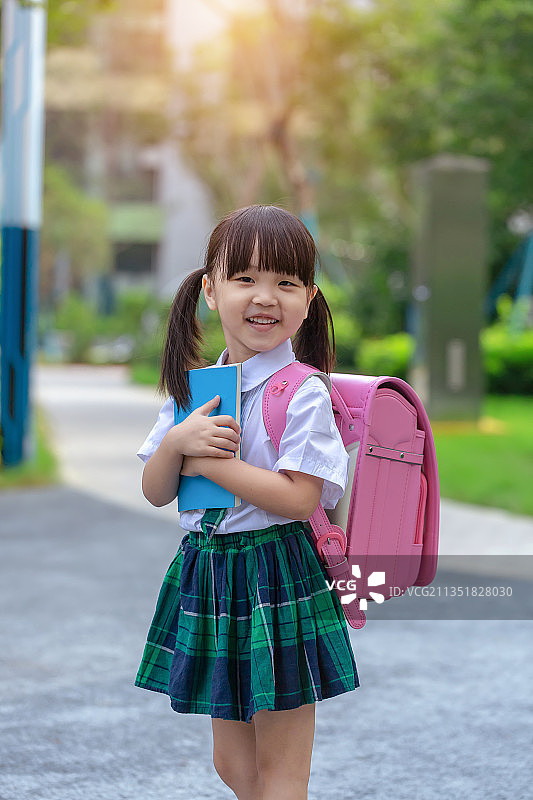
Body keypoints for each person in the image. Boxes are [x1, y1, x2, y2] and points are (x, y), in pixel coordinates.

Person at [135, 205, 359, 800]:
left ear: (308, 299)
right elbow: (157, 490)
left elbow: (298, 498)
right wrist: (178, 446)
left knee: (282, 772)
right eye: (245, 279)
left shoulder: (303, 391)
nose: (266, 297)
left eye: (286, 283)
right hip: (209, 574)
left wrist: (215, 465)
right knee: (234, 766)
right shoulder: (195, 389)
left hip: (275, 573)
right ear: (210, 290)